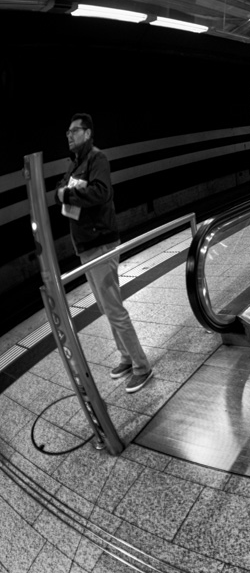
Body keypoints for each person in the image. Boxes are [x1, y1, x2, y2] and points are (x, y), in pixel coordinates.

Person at [57, 113, 153, 393]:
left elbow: (99, 192)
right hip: (86, 245)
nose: (69, 136)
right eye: (67, 132)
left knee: (113, 307)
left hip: (101, 242)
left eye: (74, 131)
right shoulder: (74, 164)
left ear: (87, 133)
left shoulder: (97, 159)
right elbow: (59, 190)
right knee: (104, 307)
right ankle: (125, 357)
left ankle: (141, 366)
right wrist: (69, 191)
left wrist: (69, 193)